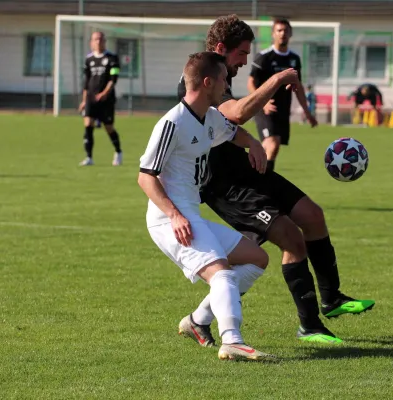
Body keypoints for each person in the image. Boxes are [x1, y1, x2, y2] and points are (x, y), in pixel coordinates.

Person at [177, 15, 375, 347]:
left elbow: (224, 124)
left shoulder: (221, 77)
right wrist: (278, 78)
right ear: (222, 49)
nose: (244, 61)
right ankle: (308, 325)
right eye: (241, 54)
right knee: (290, 240)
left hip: (247, 169)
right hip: (226, 186)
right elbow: (235, 112)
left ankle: (331, 299)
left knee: (312, 215)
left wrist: (251, 142)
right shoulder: (200, 81)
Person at [139, 51, 274, 361]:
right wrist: (174, 215)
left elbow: (232, 131)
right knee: (222, 274)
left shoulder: (210, 116)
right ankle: (232, 340)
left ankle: (198, 321)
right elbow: (146, 178)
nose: (227, 86)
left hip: (190, 214)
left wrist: (253, 143)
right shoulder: (172, 123)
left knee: (256, 258)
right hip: (168, 219)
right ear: (207, 82)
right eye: (224, 80)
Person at [247, 18, 318, 173]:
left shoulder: (294, 59)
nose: (283, 34)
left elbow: (298, 87)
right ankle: (265, 182)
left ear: (290, 33)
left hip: (283, 110)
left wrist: (308, 113)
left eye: (286, 30)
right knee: (273, 144)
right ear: (273, 34)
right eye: (279, 30)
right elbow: (251, 83)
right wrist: (263, 103)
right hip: (265, 108)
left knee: (271, 146)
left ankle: (253, 174)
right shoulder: (264, 57)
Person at [78, 31, 123, 167]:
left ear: (104, 41)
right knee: (88, 126)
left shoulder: (112, 58)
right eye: (95, 39)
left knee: (108, 127)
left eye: (100, 39)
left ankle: (118, 151)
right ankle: (89, 157)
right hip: (91, 99)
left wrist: (104, 93)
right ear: (91, 42)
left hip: (106, 100)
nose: (98, 41)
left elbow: (113, 79)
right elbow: (86, 81)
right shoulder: (89, 59)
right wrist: (84, 100)